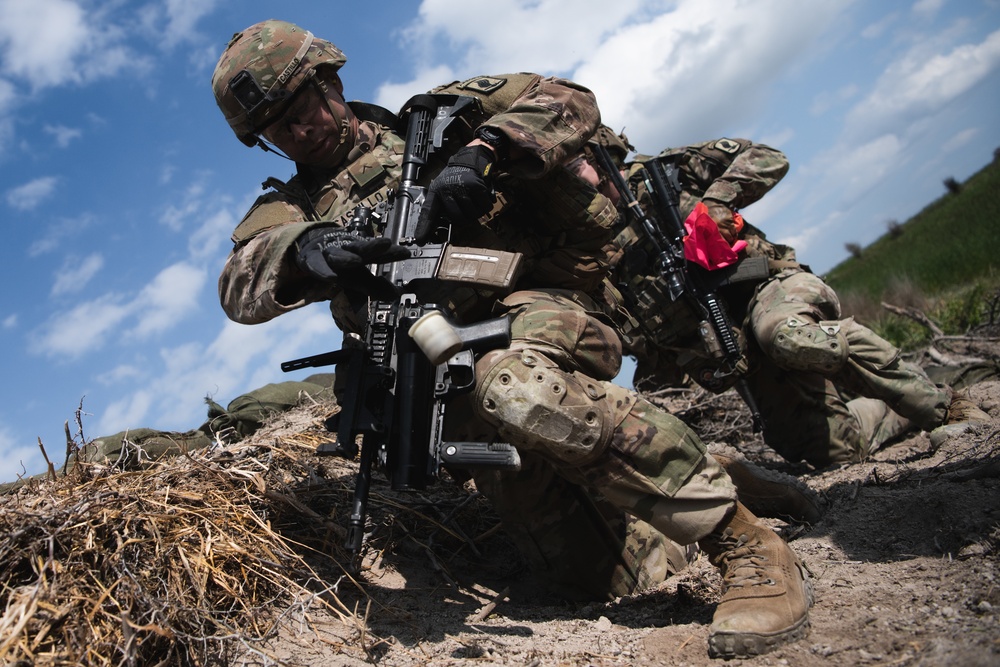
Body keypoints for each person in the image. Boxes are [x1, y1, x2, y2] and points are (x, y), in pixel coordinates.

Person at [210, 19, 812, 658]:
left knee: (513, 382)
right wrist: (309, 247)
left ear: (328, 80)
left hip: (539, 309)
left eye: (300, 108)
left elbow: (571, 101)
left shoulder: (441, 117)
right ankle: (702, 473)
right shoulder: (293, 206)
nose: (298, 131)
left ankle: (744, 543)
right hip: (448, 374)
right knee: (600, 577)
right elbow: (238, 282)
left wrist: (487, 151)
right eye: (277, 128)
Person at [583, 127, 990, 469]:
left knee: (786, 335)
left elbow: (767, 156)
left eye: (572, 165)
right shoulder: (588, 244)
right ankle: (890, 404)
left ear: (598, 153)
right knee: (832, 453)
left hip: (773, 288)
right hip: (733, 345)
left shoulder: (667, 174)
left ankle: (946, 409)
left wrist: (718, 200)